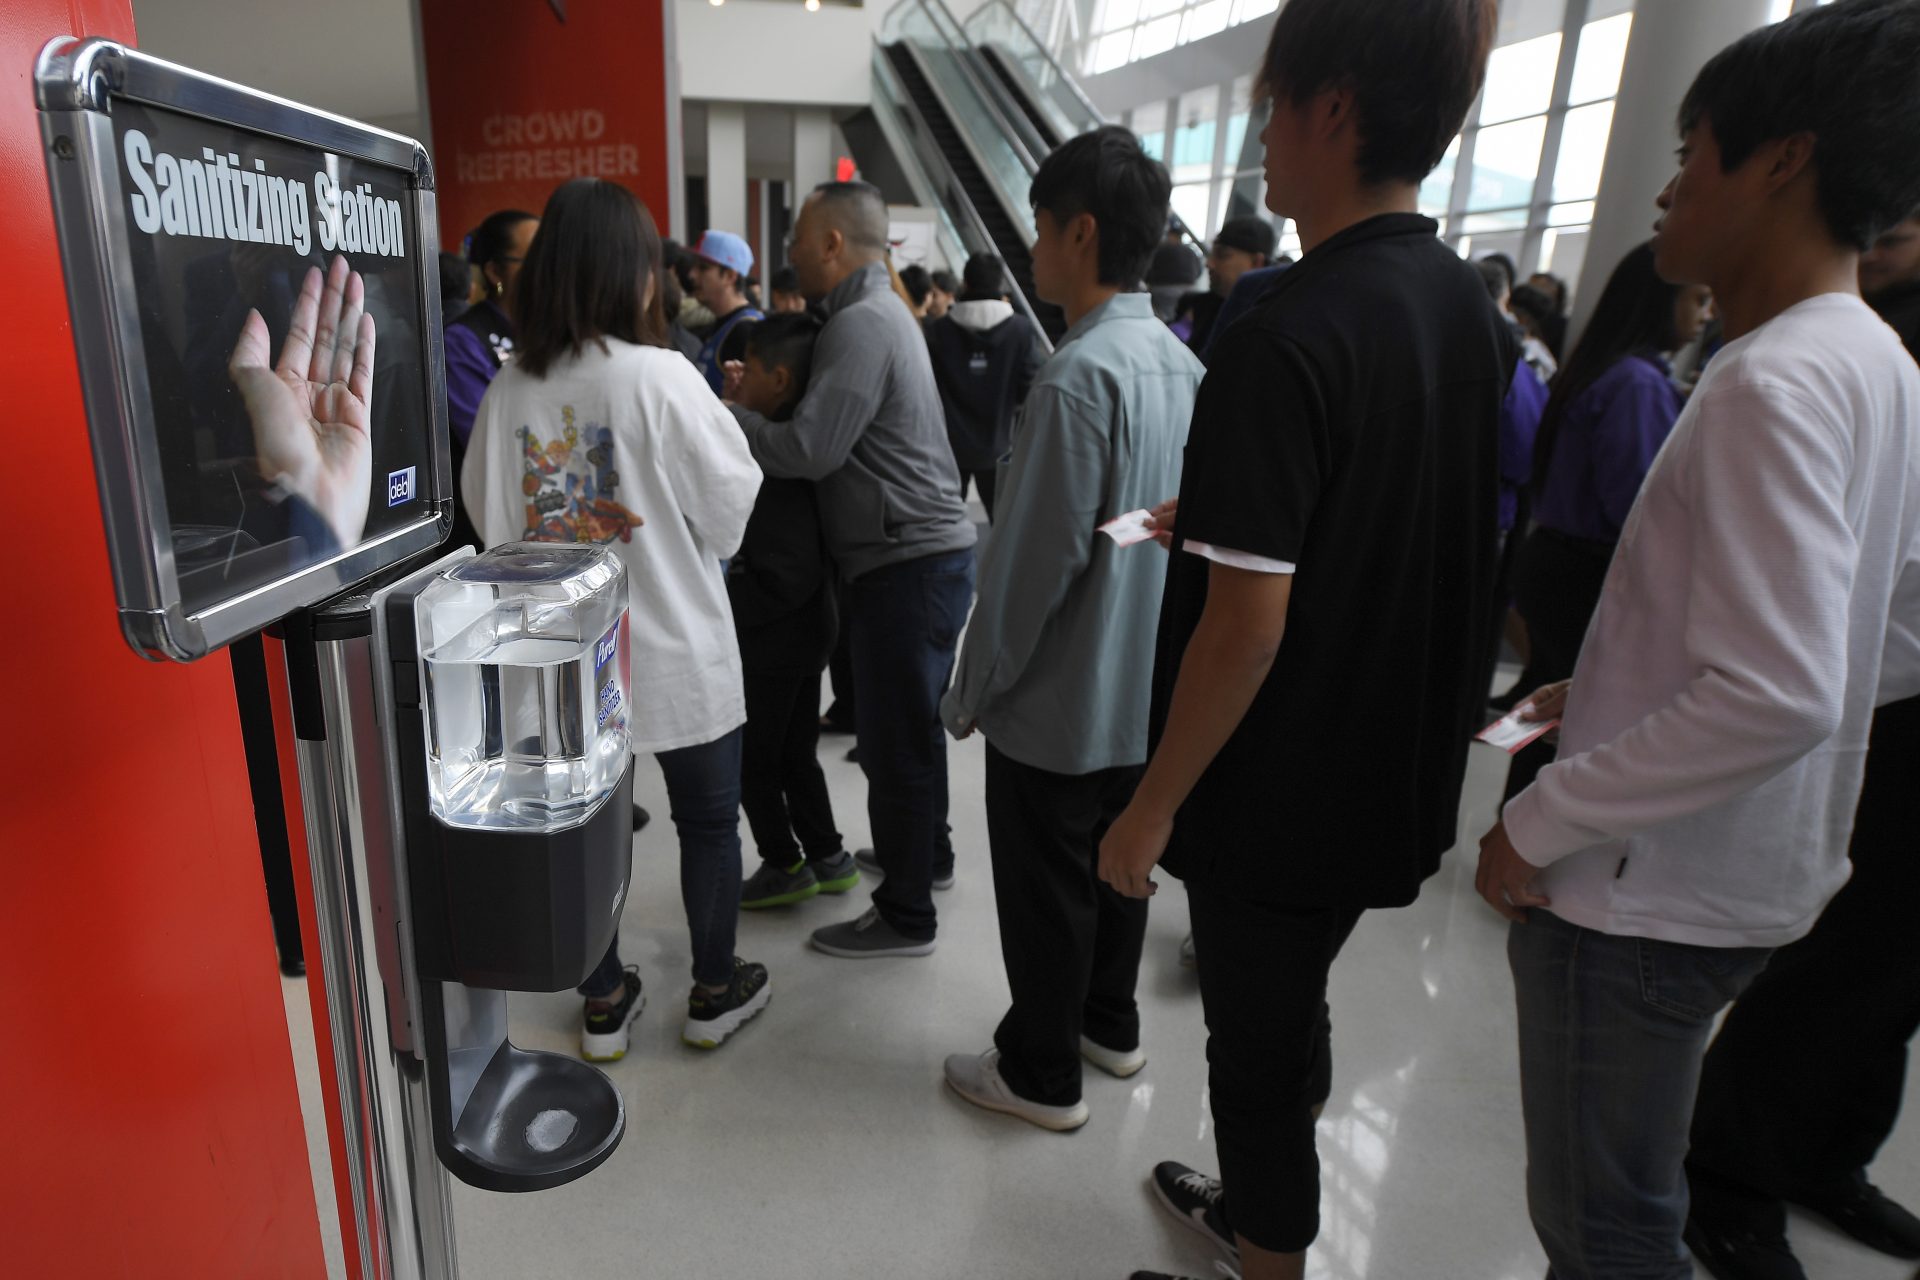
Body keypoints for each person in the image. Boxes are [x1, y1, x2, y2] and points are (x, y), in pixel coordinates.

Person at [1475, 6, 1920, 1280]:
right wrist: (1623, 684)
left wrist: (1540, 819)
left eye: (1693, 150)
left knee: (1609, 1232)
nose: (1668, 188)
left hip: (1640, 896)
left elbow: (1778, 689)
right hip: (1757, 872)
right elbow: (1879, 632)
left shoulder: (1769, 379)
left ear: (1783, 160)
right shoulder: (1879, 366)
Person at [1101, 2, 1511, 1277]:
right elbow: (1387, 513)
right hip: (1390, 763)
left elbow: (1247, 632)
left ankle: (1266, 1245)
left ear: (1332, 108)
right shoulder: (1463, 307)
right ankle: (1268, 1197)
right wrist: (1222, 519)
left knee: (1256, 1044)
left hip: (1281, 786)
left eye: (1274, 102)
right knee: (1291, 1008)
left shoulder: (1282, 326)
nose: (1263, 135)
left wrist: (1150, 808)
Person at [461, 177, 770, 1057]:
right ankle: (714, 990)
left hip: (563, 655)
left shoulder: (510, 388)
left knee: (584, 828)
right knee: (709, 821)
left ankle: (603, 1001)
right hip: (678, 645)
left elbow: (488, 519)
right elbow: (730, 510)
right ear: (636, 275)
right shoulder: (662, 376)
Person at [938, 127, 1204, 1133]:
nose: (1031, 248)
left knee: (1049, 885)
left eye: (1041, 228)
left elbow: (1026, 572)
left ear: (1080, 232)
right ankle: (1108, 1019)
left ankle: (1041, 1069)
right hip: (1146, 693)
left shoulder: (1074, 378)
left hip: (1058, 696)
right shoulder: (1186, 371)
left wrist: (970, 691)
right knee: (1120, 861)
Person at [1683, 204, 1920, 1280]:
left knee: (1893, 973)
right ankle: (1735, 1174)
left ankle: (1832, 1155)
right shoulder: (1820, 356)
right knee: (1839, 953)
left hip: (1871, 682)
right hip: (1879, 693)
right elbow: (1784, 667)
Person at [724, 180, 977, 959]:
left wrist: (729, 420)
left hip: (907, 564)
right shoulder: (876, 315)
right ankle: (922, 858)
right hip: (915, 558)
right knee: (910, 732)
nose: (791, 253)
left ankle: (905, 915)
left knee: (895, 743)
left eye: (799, 237)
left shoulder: (862, 323)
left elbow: (811, 449)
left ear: (833, 243)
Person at [1498, 243, 1710, 798]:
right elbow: (1636, 500)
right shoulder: (1637, 384)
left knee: (1549, 708)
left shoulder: (1605, 369)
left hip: (1554, 557)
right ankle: (1528, 837)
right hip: (1586, 567)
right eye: (1697, 299)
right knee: (1572, 713)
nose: (1705, 316)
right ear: (1657, 302)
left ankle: (1515, 821)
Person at [726, 313, 862, 911]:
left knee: (754, 760)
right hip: (806, 633)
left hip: (773, 639)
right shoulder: (796, 444)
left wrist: (722, 605)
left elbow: (784, 571)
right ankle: (829, 857)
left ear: (778, 379)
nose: (738, 378)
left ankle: (785, 863)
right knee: (794, 752)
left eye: (749, 370)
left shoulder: (773, 462)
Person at [924, 253, 1046, 521]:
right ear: (1000, 284)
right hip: (999, 444)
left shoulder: (938, 330)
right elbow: (1028, 387)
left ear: (965, 283)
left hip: (948, 447)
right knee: (1002, 524)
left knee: (945, 522)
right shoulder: (1021, 330)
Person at [444, 210, 537, 551]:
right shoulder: (464, 339)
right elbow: (490, 442)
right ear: (495, 270)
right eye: (532, 260)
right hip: (492, 536)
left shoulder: (545, 334)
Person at [1172, 216, 1274, 354]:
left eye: (1222, 255)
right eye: (1211, 254)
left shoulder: (1269, 324)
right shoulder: (1197, 307)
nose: (1209, 264)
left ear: (1257, 262)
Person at [689, 230, 763, 394]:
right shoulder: (722, 325)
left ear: (730, 276)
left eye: (703, 268)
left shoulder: (746, 331)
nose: (692, 275)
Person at [1145, 221, 1204, 322]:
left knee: (1163, 318)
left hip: (1161, 290)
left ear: (1170, 235)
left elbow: (1147, 271)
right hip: (1188, 290)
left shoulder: (1161, 249)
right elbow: (1199, 271)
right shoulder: (1191, 252)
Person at [1527, 269, 1571, 360]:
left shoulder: (1560, 325)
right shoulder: (1528, 319)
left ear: (1554, 293)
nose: (1527, 294)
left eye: (1537, 289)